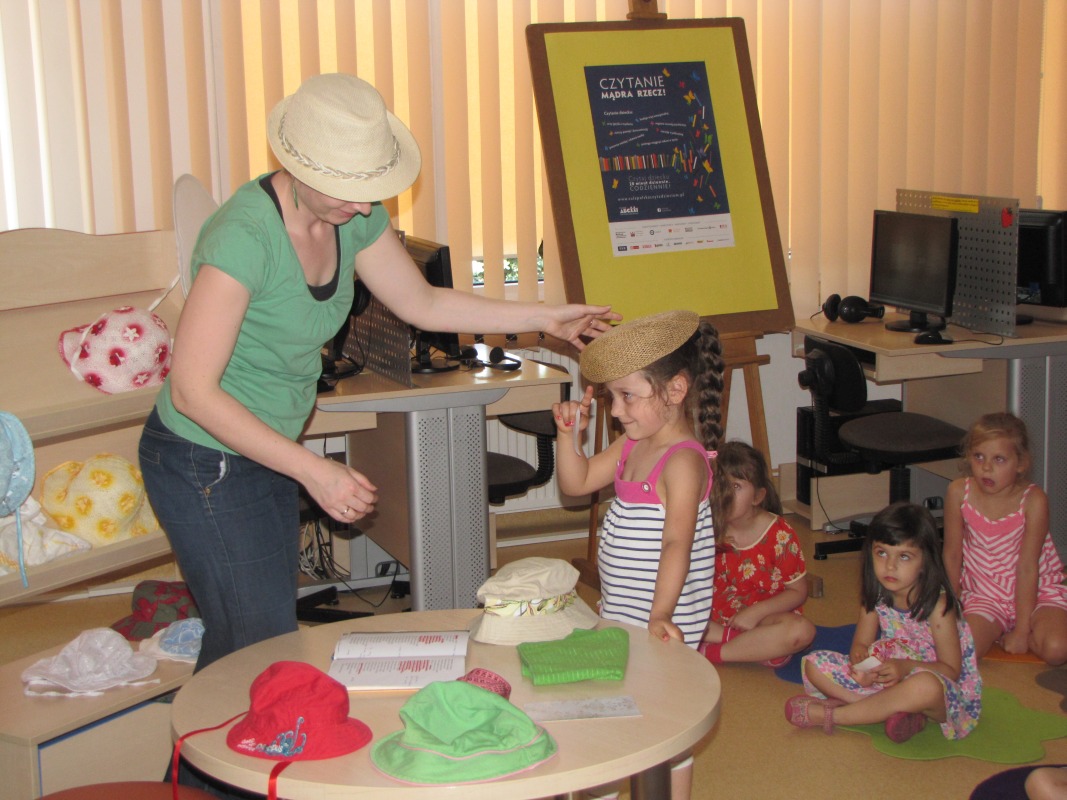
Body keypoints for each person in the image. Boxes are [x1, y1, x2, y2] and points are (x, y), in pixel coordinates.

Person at [138, 73, 620, 677]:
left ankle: (208, 739)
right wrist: (314, 469)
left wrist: (543, 319)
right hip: (202, 457)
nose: (366, 208)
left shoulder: (351, 217)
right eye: (351, 191)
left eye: (371, 190)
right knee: (253, 645)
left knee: (254, 638)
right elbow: (193, 391)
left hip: (264, 448)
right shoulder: (243, 238)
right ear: (300, 167)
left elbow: (425, 303)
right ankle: (217, 737)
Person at [552, 309, 723, 800]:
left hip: (663, 618)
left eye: (628, 395)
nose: (616, 410)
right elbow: (577, 482)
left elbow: (677, 544)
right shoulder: (633, 444)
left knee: (665, 723)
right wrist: (568, 435)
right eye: (612, 397)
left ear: (675, 390)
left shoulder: (683, 461)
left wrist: (662, 613)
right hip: (623, 612)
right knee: (614, 709)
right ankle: (602, 784)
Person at [788, 502, 982, 744]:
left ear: (925, 561)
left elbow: (952, 670)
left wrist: (905, 668)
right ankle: (888, 710)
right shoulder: (876, 593)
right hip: (886, 677)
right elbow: (860, 644)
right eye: (881, 553)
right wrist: (863, 667)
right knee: (813, 665)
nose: (890, 566)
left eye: (904, 556)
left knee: (924, 686)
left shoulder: (937, 606)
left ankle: (838, 715)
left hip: (940, 688)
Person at [943, 411, 1067, 665]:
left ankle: (1031, 628)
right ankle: (997, 628)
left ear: (1021, 463)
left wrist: (1022, 630)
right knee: (961, 652)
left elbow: (1027, 567)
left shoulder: (1033, 500)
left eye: (999, 459)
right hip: (984, 596)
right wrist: (949, 608)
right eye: (979, 456)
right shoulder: (958, 492)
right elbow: (952, 555)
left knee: (1057, 650)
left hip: (1038, 592)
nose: (986, 467)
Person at [699, 440, 815, 667]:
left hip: (764, 619)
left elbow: (798, 592)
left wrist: (755, 613)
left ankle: (713, 652)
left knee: (802, 632)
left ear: (758, 496)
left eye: (735, 486)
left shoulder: (780, 534)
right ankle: (745, 645)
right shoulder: (705, 525)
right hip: (713, 620)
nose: (724, 493)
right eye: (720, 484)